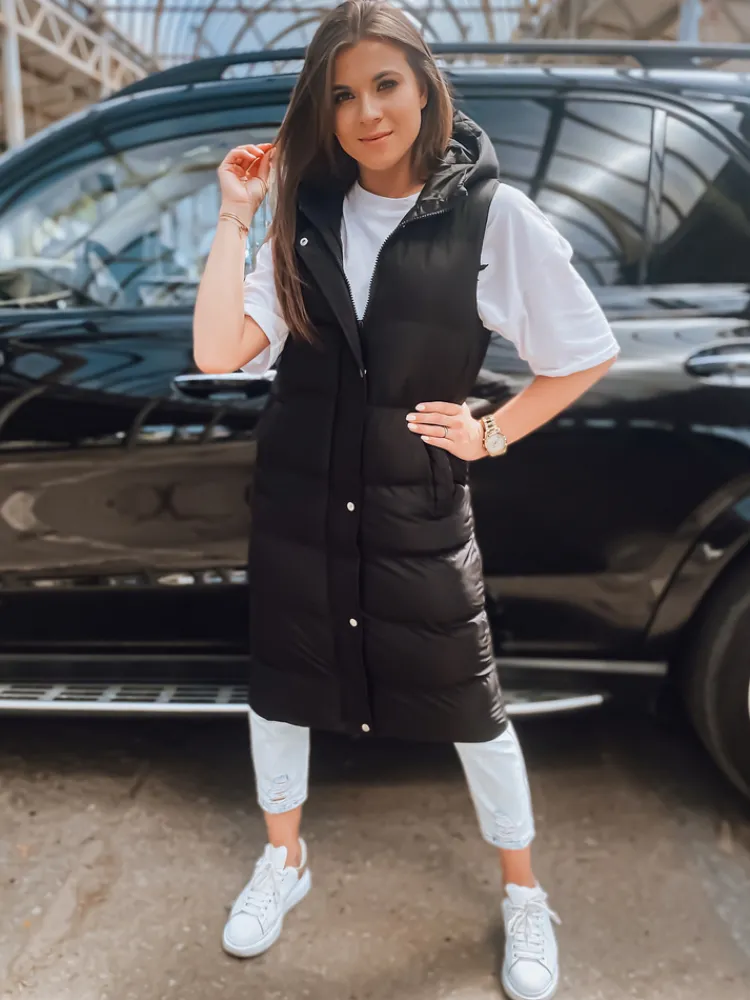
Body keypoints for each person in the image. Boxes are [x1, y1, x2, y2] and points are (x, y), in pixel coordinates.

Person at [193, 3, 619, 998]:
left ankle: (523, 890)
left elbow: (582, 352)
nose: (366, 112)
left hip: (414, 512)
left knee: (471, 706)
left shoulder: (491, 215)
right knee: (282, 690)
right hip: (300, 506)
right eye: (342, 94)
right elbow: (218, 350)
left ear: (427, 86)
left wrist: (492, 432)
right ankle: (285, 859)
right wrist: (235, 213)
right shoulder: (306, 216)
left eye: (385, 84)